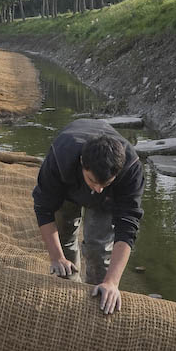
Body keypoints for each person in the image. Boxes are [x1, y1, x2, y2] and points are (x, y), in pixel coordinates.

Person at [32, 119, 144, 314]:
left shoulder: (131, 169)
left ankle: (97, 298)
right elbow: (43, 209)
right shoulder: (60, 157)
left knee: (98, 248)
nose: (98, 189)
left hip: (109, 201)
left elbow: (127, 226)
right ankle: (68, 293)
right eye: (92, 181)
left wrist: (112, 281)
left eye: (105, 183)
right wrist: (57, 258)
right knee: (65, 237)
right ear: (82, 163)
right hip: (67, 188)